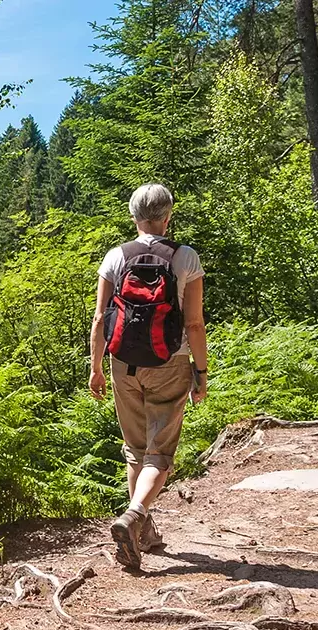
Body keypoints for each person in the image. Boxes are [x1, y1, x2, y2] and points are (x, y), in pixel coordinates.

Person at [90, 183, 209, 571]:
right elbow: (194, 323)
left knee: (135, 448)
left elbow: (100, 319)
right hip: (170, 362)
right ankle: (135, 515)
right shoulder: (185, 257)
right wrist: (201, 372)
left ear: (133, 215)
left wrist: (95, 368)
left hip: (122, 362)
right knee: (159, 453)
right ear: (168, 216)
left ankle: (142, 534)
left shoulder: (115, 256)